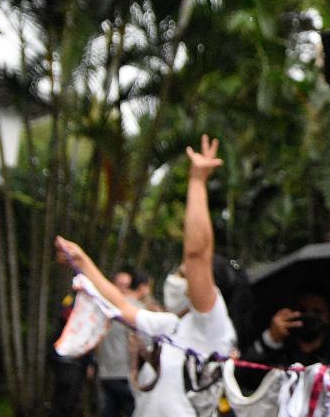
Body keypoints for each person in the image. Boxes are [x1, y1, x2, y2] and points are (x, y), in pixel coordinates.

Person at [57, 134, 236, 417]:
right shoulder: (171, 326)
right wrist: (83, 263)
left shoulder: (213, 325)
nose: (180, 279)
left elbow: (197, 255)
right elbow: (120, 304)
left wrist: (198, 182)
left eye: (184, 274)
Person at [96, 268, 149, 417]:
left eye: (126, 285)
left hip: (120, 373)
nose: (122, 288)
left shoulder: (106, 306)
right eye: (119, 284)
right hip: (117, 373)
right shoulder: (133, 309)